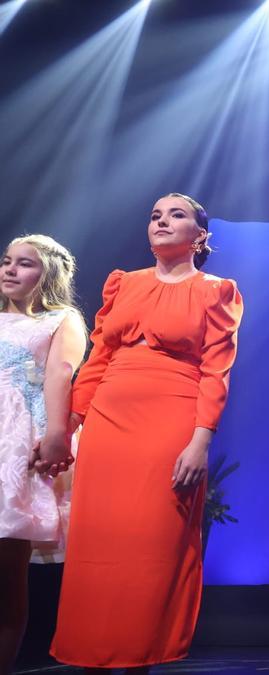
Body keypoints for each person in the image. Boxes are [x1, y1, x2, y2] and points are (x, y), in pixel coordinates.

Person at [51, 193, 243, 672]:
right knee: (99, 541)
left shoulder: (216, 290)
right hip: (108, 423)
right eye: (156, 215)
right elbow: (97, 359)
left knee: (150, 544)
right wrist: (70, 424)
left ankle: (138, 656)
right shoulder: (124, 284)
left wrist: (201, 439)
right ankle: (93, 653)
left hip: (170, 421)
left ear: (200, 236)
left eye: (176, 215)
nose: (162, 221)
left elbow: (216, 371)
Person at [0, 235, 86, 674]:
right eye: (7, 261)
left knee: (6, 569)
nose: (10, 270)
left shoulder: (59, 320)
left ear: (47, 274)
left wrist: (56, 434)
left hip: (13, 440)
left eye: (25, 264)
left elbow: (60, 374)